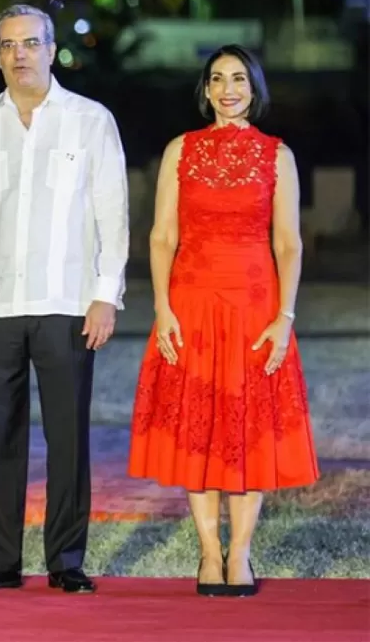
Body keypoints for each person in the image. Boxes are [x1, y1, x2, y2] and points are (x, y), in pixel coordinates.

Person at [0, 4, 129, 595]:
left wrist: (106, 295)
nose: (18, 54)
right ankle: (0, 562)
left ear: (51, 49)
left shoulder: (90, 120)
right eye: (6, 45)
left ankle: (66, 561)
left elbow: (112, 215)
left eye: (29, 42)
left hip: (68, 302)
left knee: (68, 437)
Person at [128, 45, 319, 598]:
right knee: (197, 431)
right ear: (206, 89)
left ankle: (240, 556)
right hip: (190, 304)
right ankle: (208, 555)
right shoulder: (180, 151)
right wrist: (162, 306)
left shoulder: (276, 155)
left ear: (254, 89)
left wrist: (284, 317)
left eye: (239, 79)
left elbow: (288, 242)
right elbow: (162, 236)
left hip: (256, 308)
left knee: (246, 432)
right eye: (217, 79)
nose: (228, 88)